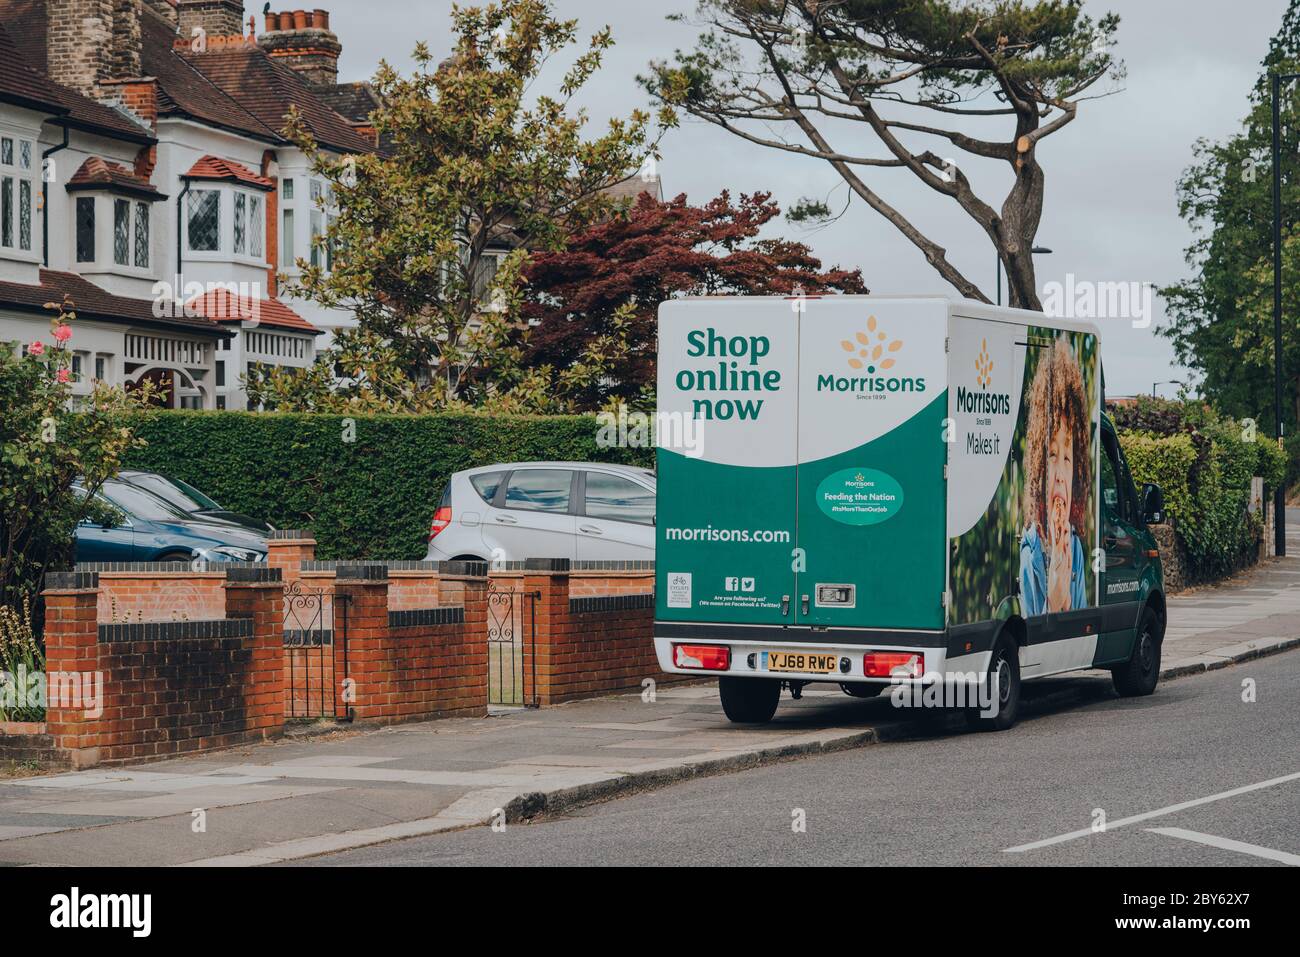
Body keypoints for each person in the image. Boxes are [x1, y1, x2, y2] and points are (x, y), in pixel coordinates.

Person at [1020, 338, 1091, 616]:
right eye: (1052, 455)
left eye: (1067, 458)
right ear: (1039, 467)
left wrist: (1068, 603)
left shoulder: (1074, 547)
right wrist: (1056, 599)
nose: (1061, 474)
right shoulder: (1031, 551)